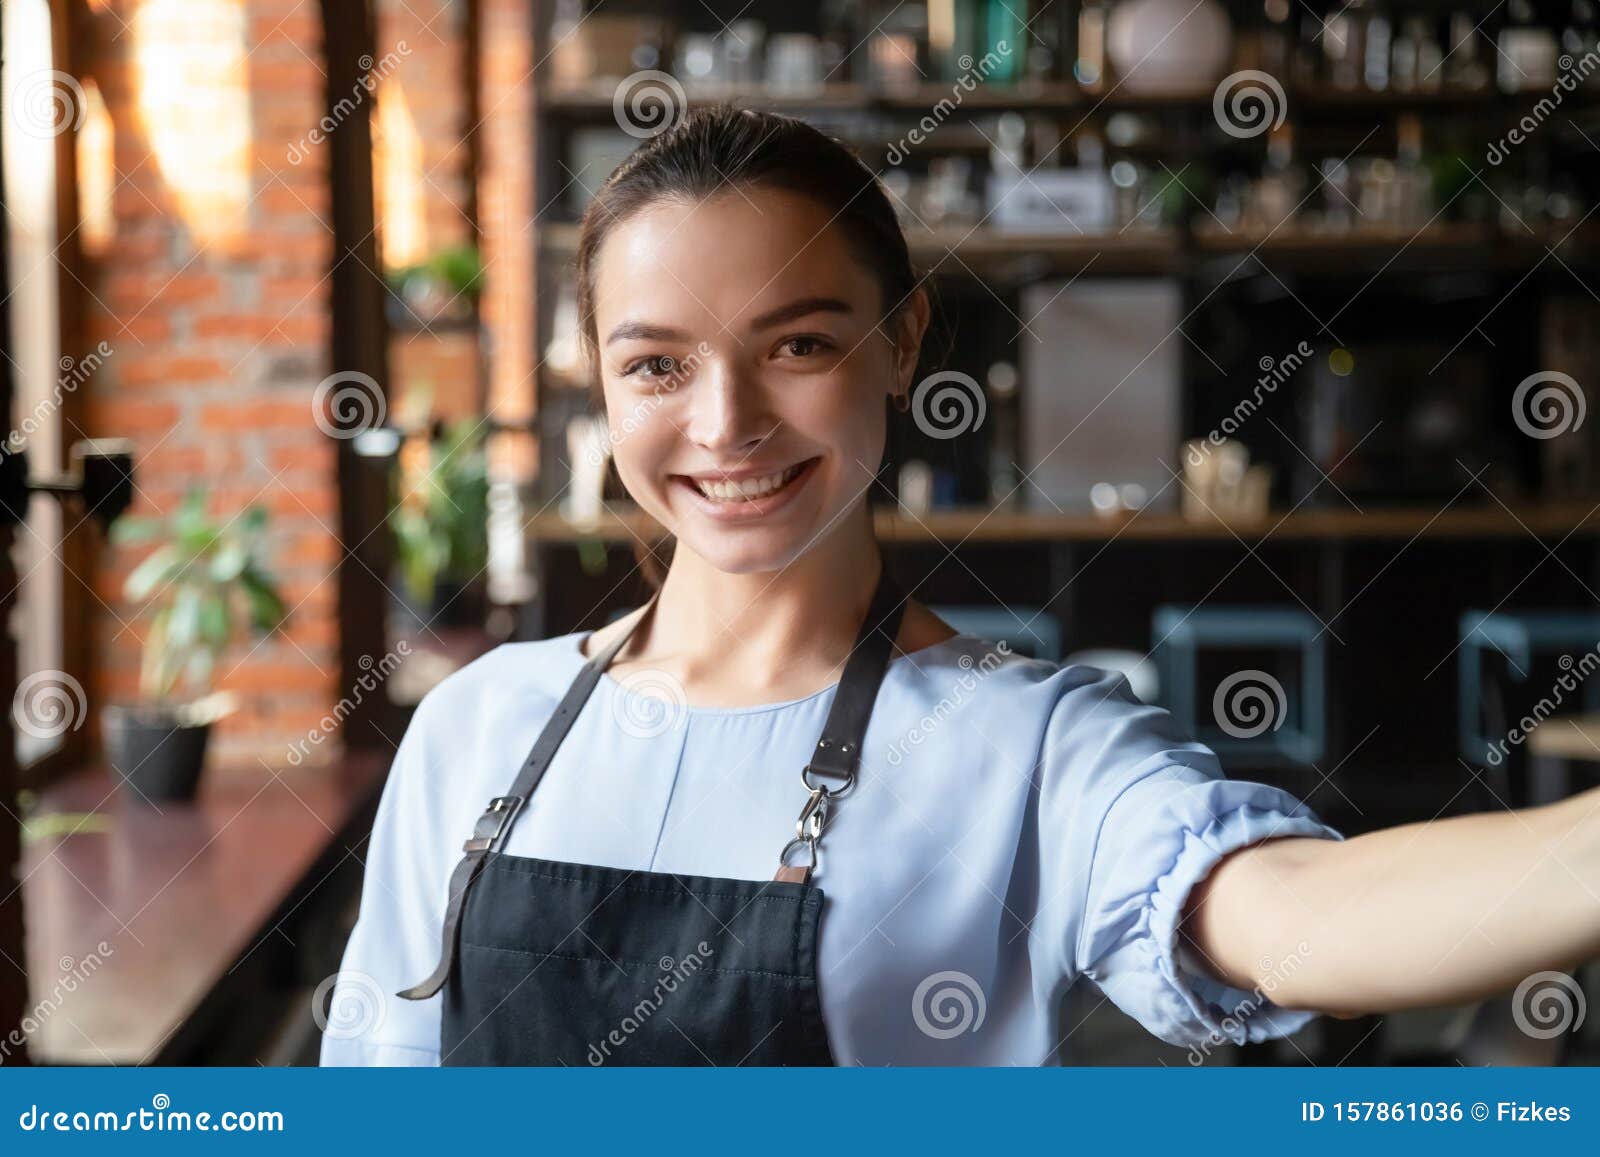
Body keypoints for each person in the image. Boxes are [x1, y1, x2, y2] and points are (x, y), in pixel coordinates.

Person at [320, 105, 1600, 1067]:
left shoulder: (1024, 744)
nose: (726, 423)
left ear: (904, 345)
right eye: (656, 365)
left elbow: (1290, 913)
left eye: (800, 345)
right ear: (598, 379)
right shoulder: (479, 724)